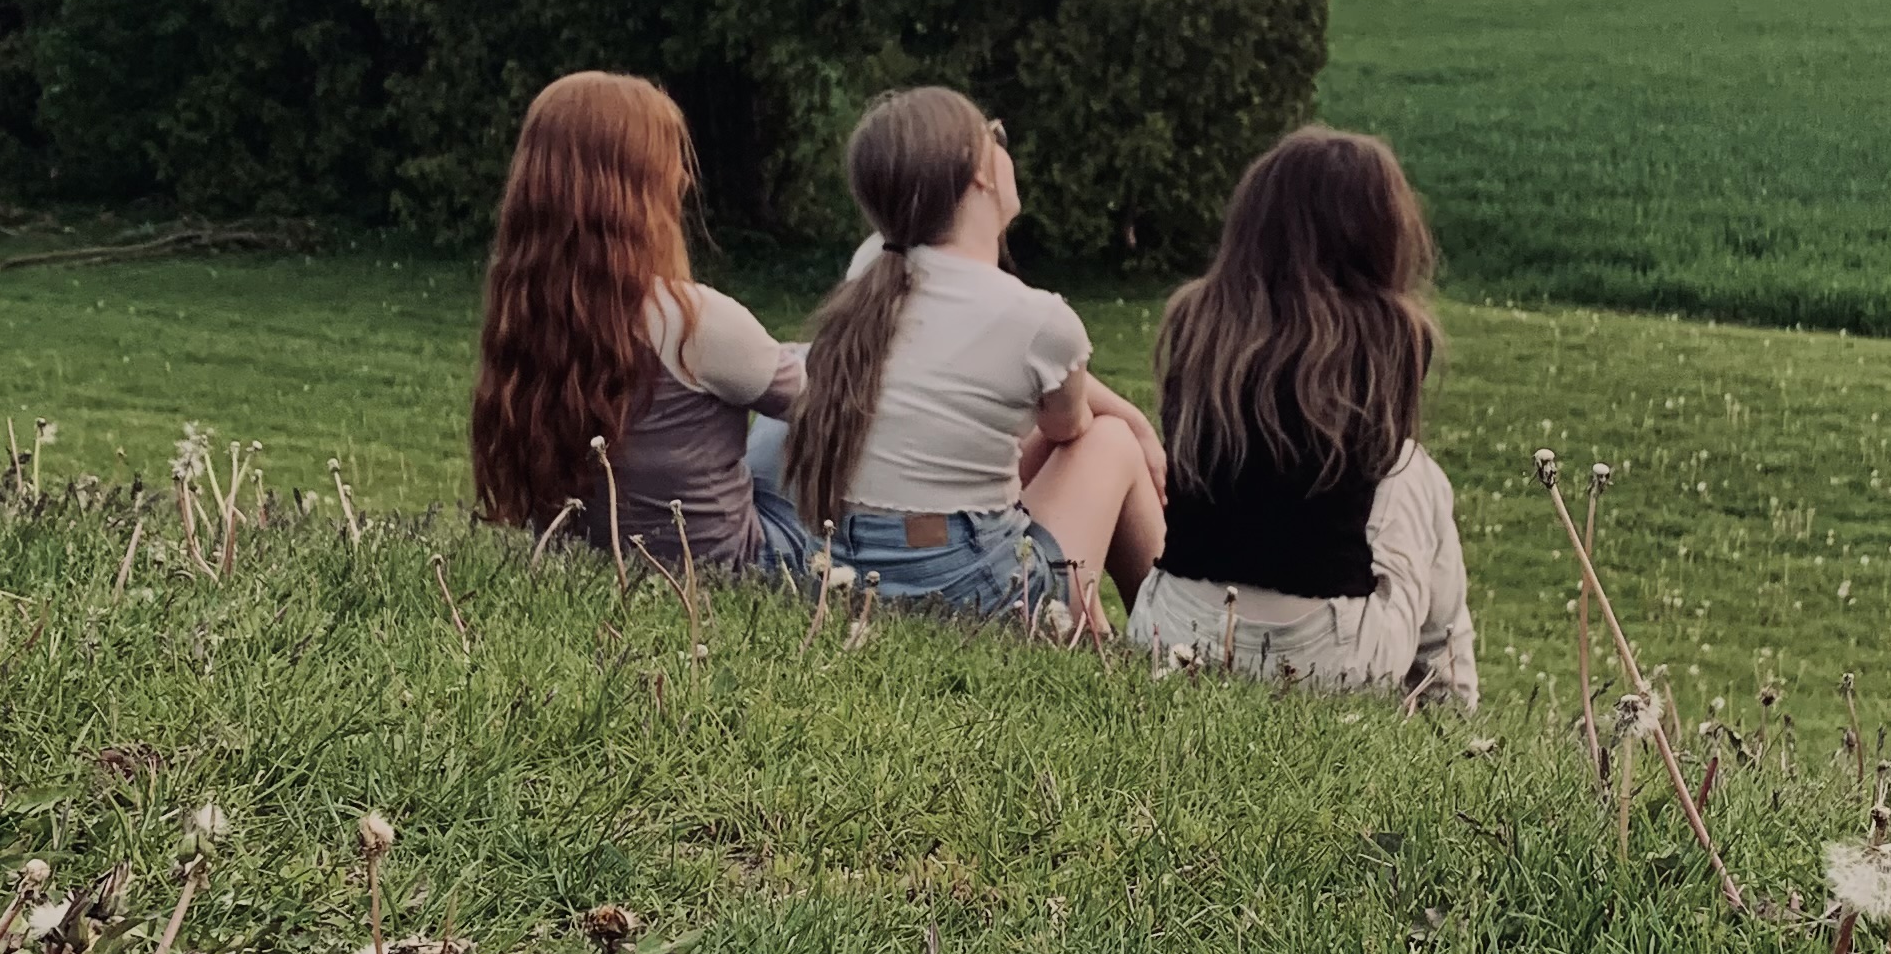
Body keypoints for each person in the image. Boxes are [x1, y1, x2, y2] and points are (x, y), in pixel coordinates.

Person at [777, 87, 1166, 625]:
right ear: (980, 171)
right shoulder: (1040, 321)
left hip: (848, 567)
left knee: (1070, 438)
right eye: (997, 136)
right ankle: (1167, 628)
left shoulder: (872, 267)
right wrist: (1135, 426)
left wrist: (1134, 415)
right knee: (1111, 441)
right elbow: (1067, 427)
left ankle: (1104, 628)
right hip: (967, 590)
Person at [1127, 127, 1475, 701]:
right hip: (1325, 657)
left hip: (1172, 630)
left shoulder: (1193, 319)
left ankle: (1446, 697)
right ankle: (1451, 702)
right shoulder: (1394, 335)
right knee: (1419, 474)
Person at [470, 70, 813, 577]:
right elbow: (827, 410)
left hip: (584, 560)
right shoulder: (696, 320)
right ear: (636, 191)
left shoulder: (526, 317)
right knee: (812, 374)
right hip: (727, 566)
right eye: (669, 163)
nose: (683, 179)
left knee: (781, 361)